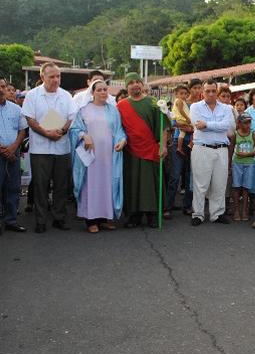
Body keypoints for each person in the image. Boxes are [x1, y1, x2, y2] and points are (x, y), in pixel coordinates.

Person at [22, 62, 78, 233]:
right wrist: (47, 133)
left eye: (58, 76)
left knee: (61, 185)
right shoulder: (32, 95)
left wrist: (61, 130)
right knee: (40, 186)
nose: (56, 80)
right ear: (42, 77)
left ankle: (59, 218)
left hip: (61, 147)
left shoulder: (66, 95)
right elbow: (30, 119)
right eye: (52, 76)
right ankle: (40, 220)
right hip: (40, 148)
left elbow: (71, 117)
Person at [69, 80, 127, 233]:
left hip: (109, 156)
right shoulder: (84, 110)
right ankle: (90, 220)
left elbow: (120, 130)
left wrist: (122, 140)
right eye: (99, 90)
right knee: (91, 186)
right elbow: (74, 129)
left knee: (106, 186)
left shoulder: (113, 111)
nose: (103, 92)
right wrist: (84, 135)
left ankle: (104, 219)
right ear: (92, 92)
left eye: (105, 90)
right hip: (91, 156)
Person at [116, 72, 169, 228]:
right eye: (131, 82)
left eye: (138, 81)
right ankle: (134, 215)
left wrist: (163, 145)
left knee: (150, 183)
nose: (135, 85)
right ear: (127, 87)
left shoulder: (153, 102)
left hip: (151, 149)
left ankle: (152, 214)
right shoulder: (121, 105)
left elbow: (164, 126)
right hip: (130, 151)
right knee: (132, 183)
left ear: (142, 84)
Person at [0, 76, 28, 236]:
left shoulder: (15, 108)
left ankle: (11, 220)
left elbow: (22, 130)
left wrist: (13, 147)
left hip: (13, 153)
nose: (1, 90)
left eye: (3, 86)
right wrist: (2, 149)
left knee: (13, 187)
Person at [189, 79, 235, 226]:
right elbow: (198, 125)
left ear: (217, 92)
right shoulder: (195, 107)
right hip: (202, 148)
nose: (210, 94)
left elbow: (226, 126)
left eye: (213, 91)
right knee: (200, 184)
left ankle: (217, 214)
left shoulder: (227, 108)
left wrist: (207, 124)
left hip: (221, 149)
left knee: (220, 183)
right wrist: (215, 125)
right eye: (207, 91)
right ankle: (198, 214)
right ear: (202, 93)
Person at [165, 84, 194, 219]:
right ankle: (168, 207)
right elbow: (173, 122)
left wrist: (191, 128)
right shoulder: (178, 104)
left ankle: (187, 206)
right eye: (181, 93)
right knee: (175, 175)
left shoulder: (194, 106)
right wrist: (186, 126)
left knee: (189, 175)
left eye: (185, 93)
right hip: (179, 140)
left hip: (192, 141)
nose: (184, 95)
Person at [229, 113, 255, 221]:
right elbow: (231, 149)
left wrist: (246, 155)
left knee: (246, 188)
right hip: (236, 163)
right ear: (239, 123)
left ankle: (244, 211)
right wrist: (229, 165)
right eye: (245, 122)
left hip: (249, 163)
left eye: (249, 122)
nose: (248, 125)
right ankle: (236, 210)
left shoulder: (253, 134)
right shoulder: (235, 134)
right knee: (236, 187)